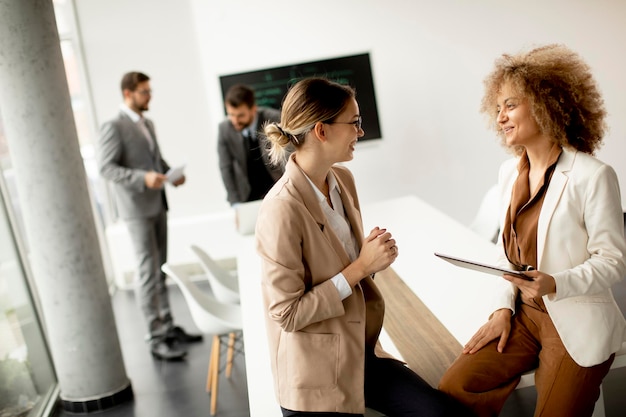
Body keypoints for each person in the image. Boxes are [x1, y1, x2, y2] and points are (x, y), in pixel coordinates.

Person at [255, 77, 474, 417]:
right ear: (321, 131)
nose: (360, 132)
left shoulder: (343, 179)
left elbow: (342, 262)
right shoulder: (280, 209)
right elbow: (288, 314)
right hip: (316, 377)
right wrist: (361, 267)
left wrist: (372, 255)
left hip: (361, 355)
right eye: (354, 123)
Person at [438, 44, 626, 417]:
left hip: (573, 316)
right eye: (497, 109)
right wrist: (500, 310)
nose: (501, 118)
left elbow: (614, 262)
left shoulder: (593, 176)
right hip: (522, 315)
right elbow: (505, 255)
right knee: (453, 389)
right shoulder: (508, 173)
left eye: (510, 105)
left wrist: (555, 282)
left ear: (544, 104)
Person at [96, 71, 202, 361]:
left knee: (160, 269)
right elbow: (105, 168)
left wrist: (170, 175)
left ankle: (167, 326)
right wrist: (144, 178)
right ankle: (156, 337)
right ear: (128, 94)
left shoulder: (147, 123)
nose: (149, 96)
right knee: (146, 273)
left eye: (149, 91)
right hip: (136, 210)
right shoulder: (113, 126)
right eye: (144, 92)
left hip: (158, 204)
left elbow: (154, 159)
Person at [217, 84, 284, 206]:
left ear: (253, 109)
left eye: (240, 115)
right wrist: (235, 202)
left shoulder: (274, 119)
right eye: (231, 114)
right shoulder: (224, 129)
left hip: (278, 187)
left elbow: (288, 156)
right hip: (247, 194)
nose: (235, 121)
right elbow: (226, 168)